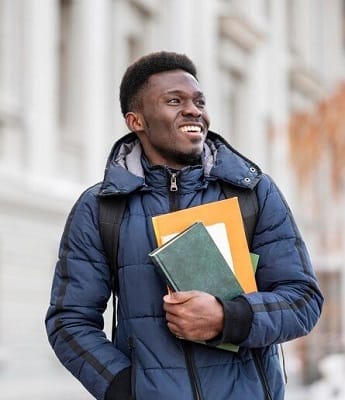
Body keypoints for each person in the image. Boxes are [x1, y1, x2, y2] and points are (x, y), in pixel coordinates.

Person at [45, 51, 323, 400]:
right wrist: (125, 389)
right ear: (136, 121)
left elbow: (303, 301)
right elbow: (68, 322)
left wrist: (228, 318)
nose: (194, 110)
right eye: (174, 101)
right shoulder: (99, 208)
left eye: (199, 101)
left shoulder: (253, 193)